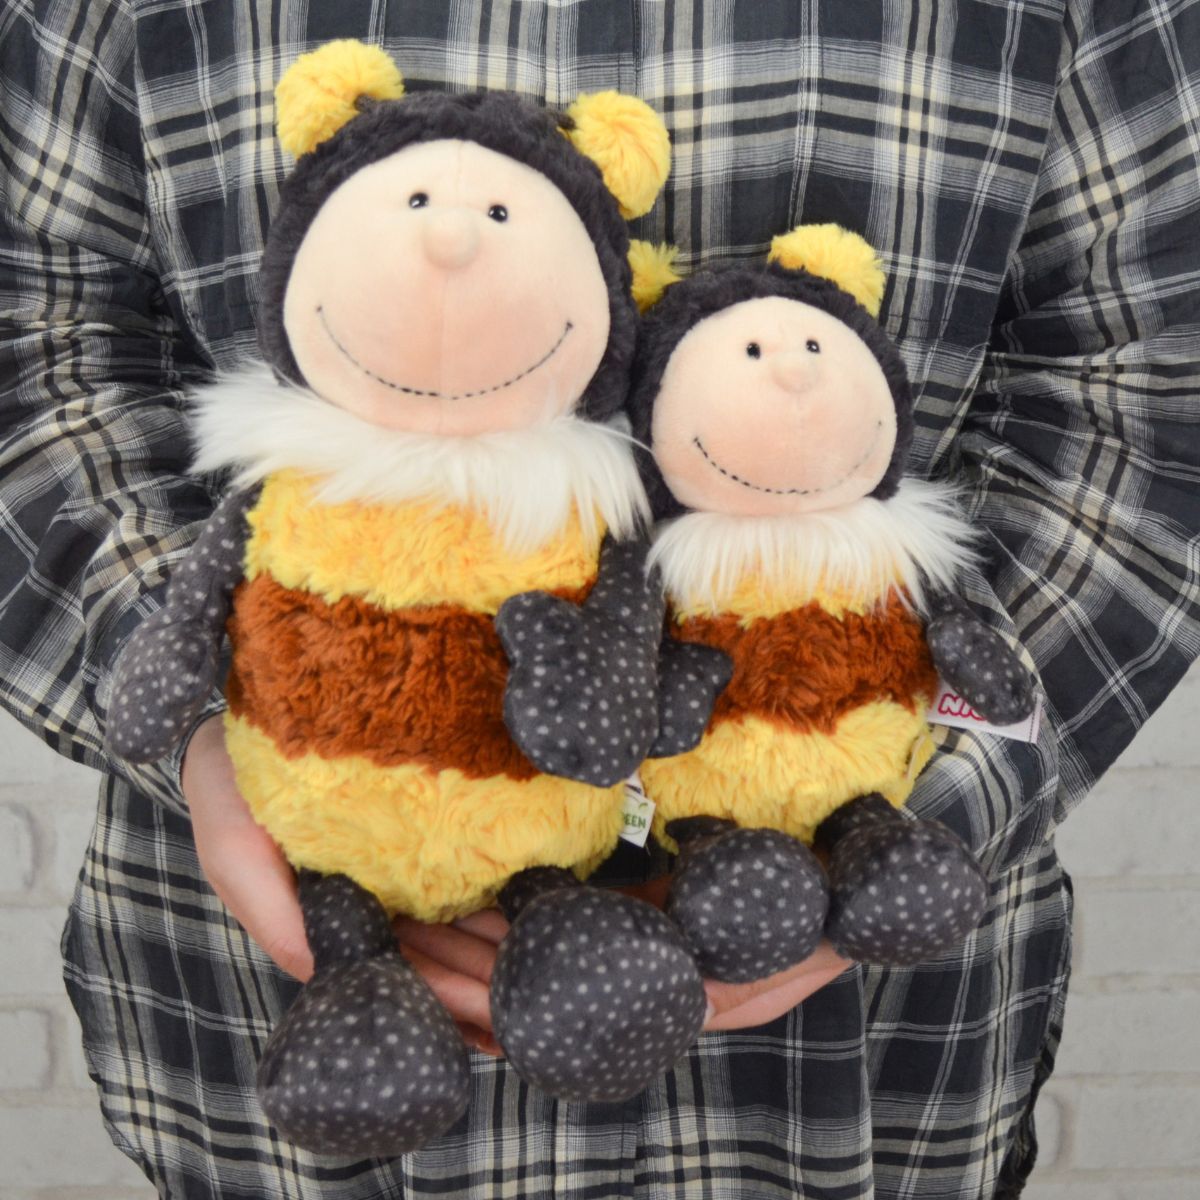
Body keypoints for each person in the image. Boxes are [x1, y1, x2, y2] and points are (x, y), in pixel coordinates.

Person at [1, 1, 1197, 1196]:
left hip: (867, 1055)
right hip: (255, 952)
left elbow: (1151, 400)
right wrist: (214, 738)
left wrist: (904, 814)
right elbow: (37, 351)